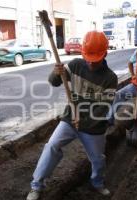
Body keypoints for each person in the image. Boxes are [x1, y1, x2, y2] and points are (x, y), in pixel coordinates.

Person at [26, 31, 118, 200]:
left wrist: (82, 120)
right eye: (88, 57)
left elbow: (102, 109)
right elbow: (54, 82)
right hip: (70, 119)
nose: (90, 63)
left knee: (97, 159)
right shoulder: (75, 65)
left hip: (94, 126)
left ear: (104, 53)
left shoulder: (110, 78)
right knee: (52, 146)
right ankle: (36, 186)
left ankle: (97, 183)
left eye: (94, 59)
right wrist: (56, 72)